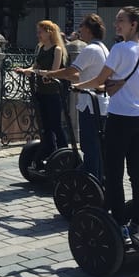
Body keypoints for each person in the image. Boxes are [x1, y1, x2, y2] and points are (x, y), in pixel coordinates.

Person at [74, 6, 139, 248]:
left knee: (114, 173)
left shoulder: (119, 48)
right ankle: (138, 225)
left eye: (121, 21)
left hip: (121, 118)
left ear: (133, 25)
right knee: (137, 174)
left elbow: (99, 80)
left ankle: (119, 224)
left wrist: (78, 86)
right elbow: (114, 82)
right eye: (117, 20)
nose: (116, 24)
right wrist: (109, 84)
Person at [46, 14, 109, 180]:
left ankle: (89, 179)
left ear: (88, 29)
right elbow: (81, 76)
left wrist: (51, 73)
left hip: (90, 104)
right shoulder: (103, 48)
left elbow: (72, 70)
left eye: (81, 27)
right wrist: (61, 77)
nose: (79, 31)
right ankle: (99, 178)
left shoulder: (90, 49)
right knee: (98, 146)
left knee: (89, 146)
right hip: (101, 104)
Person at [14, 20, 69, 161]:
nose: (38, 35)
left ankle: (64, 151)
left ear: (49, 32)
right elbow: (35, 66)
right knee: (44, 125)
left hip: (53, 92)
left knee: (55, 124)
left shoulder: (57, 49)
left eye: (40, 32)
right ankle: (49, 149)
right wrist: (25, 70)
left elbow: (54, 71)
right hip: (41, 91)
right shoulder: (40, 47)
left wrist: (37, 72)